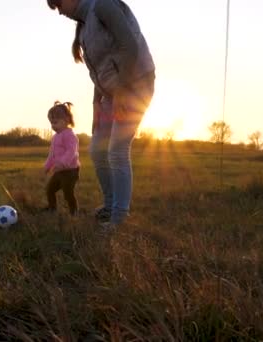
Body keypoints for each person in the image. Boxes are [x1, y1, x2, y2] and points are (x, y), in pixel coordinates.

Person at [47, 0, 155, 230]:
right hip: (111, 94)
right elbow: (102, 68)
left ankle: (119, 218)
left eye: (58, 4)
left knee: (116, 150)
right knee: (97, 150)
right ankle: (109, 206)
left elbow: (129, 47)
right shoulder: (85, 26)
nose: (60, 11)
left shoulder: (103, 6)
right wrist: (97, 102)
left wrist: (123, 94)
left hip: (134, 87)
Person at [44, 101, 81, 215]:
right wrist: (48, 165)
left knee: (68, 193)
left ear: (66, 121)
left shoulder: (70, 136)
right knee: (49, 189)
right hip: (59, 171)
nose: (53, 125)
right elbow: (52, 154)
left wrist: (62, 163)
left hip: (70, 171)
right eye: (51, 123)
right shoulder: (55, 137)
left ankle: (74, 212)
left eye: (55, 122)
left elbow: (72, 151)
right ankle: (52, 208)